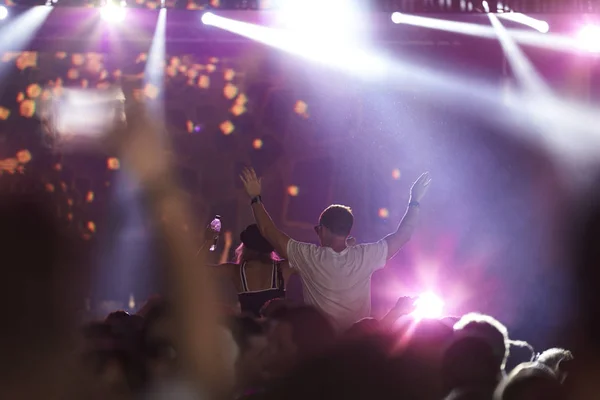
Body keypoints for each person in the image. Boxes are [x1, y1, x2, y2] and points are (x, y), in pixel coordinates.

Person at [239, 167, 431, 331]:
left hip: (321, 346)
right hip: (357, 346)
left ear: (323, 229)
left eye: (317, 229)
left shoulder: (309, 257)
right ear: (347, 232)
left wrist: (255, 197)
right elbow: (403, 235)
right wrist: (414, 201)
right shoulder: (366, 255)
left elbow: (267, 230)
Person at [214, 224, 294, 317]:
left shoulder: (235, 270)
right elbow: (311, 261)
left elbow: (198, 270)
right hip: (277, 330)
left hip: (249, 330)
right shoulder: (284, 268)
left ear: (244, 246)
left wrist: (208, 241)